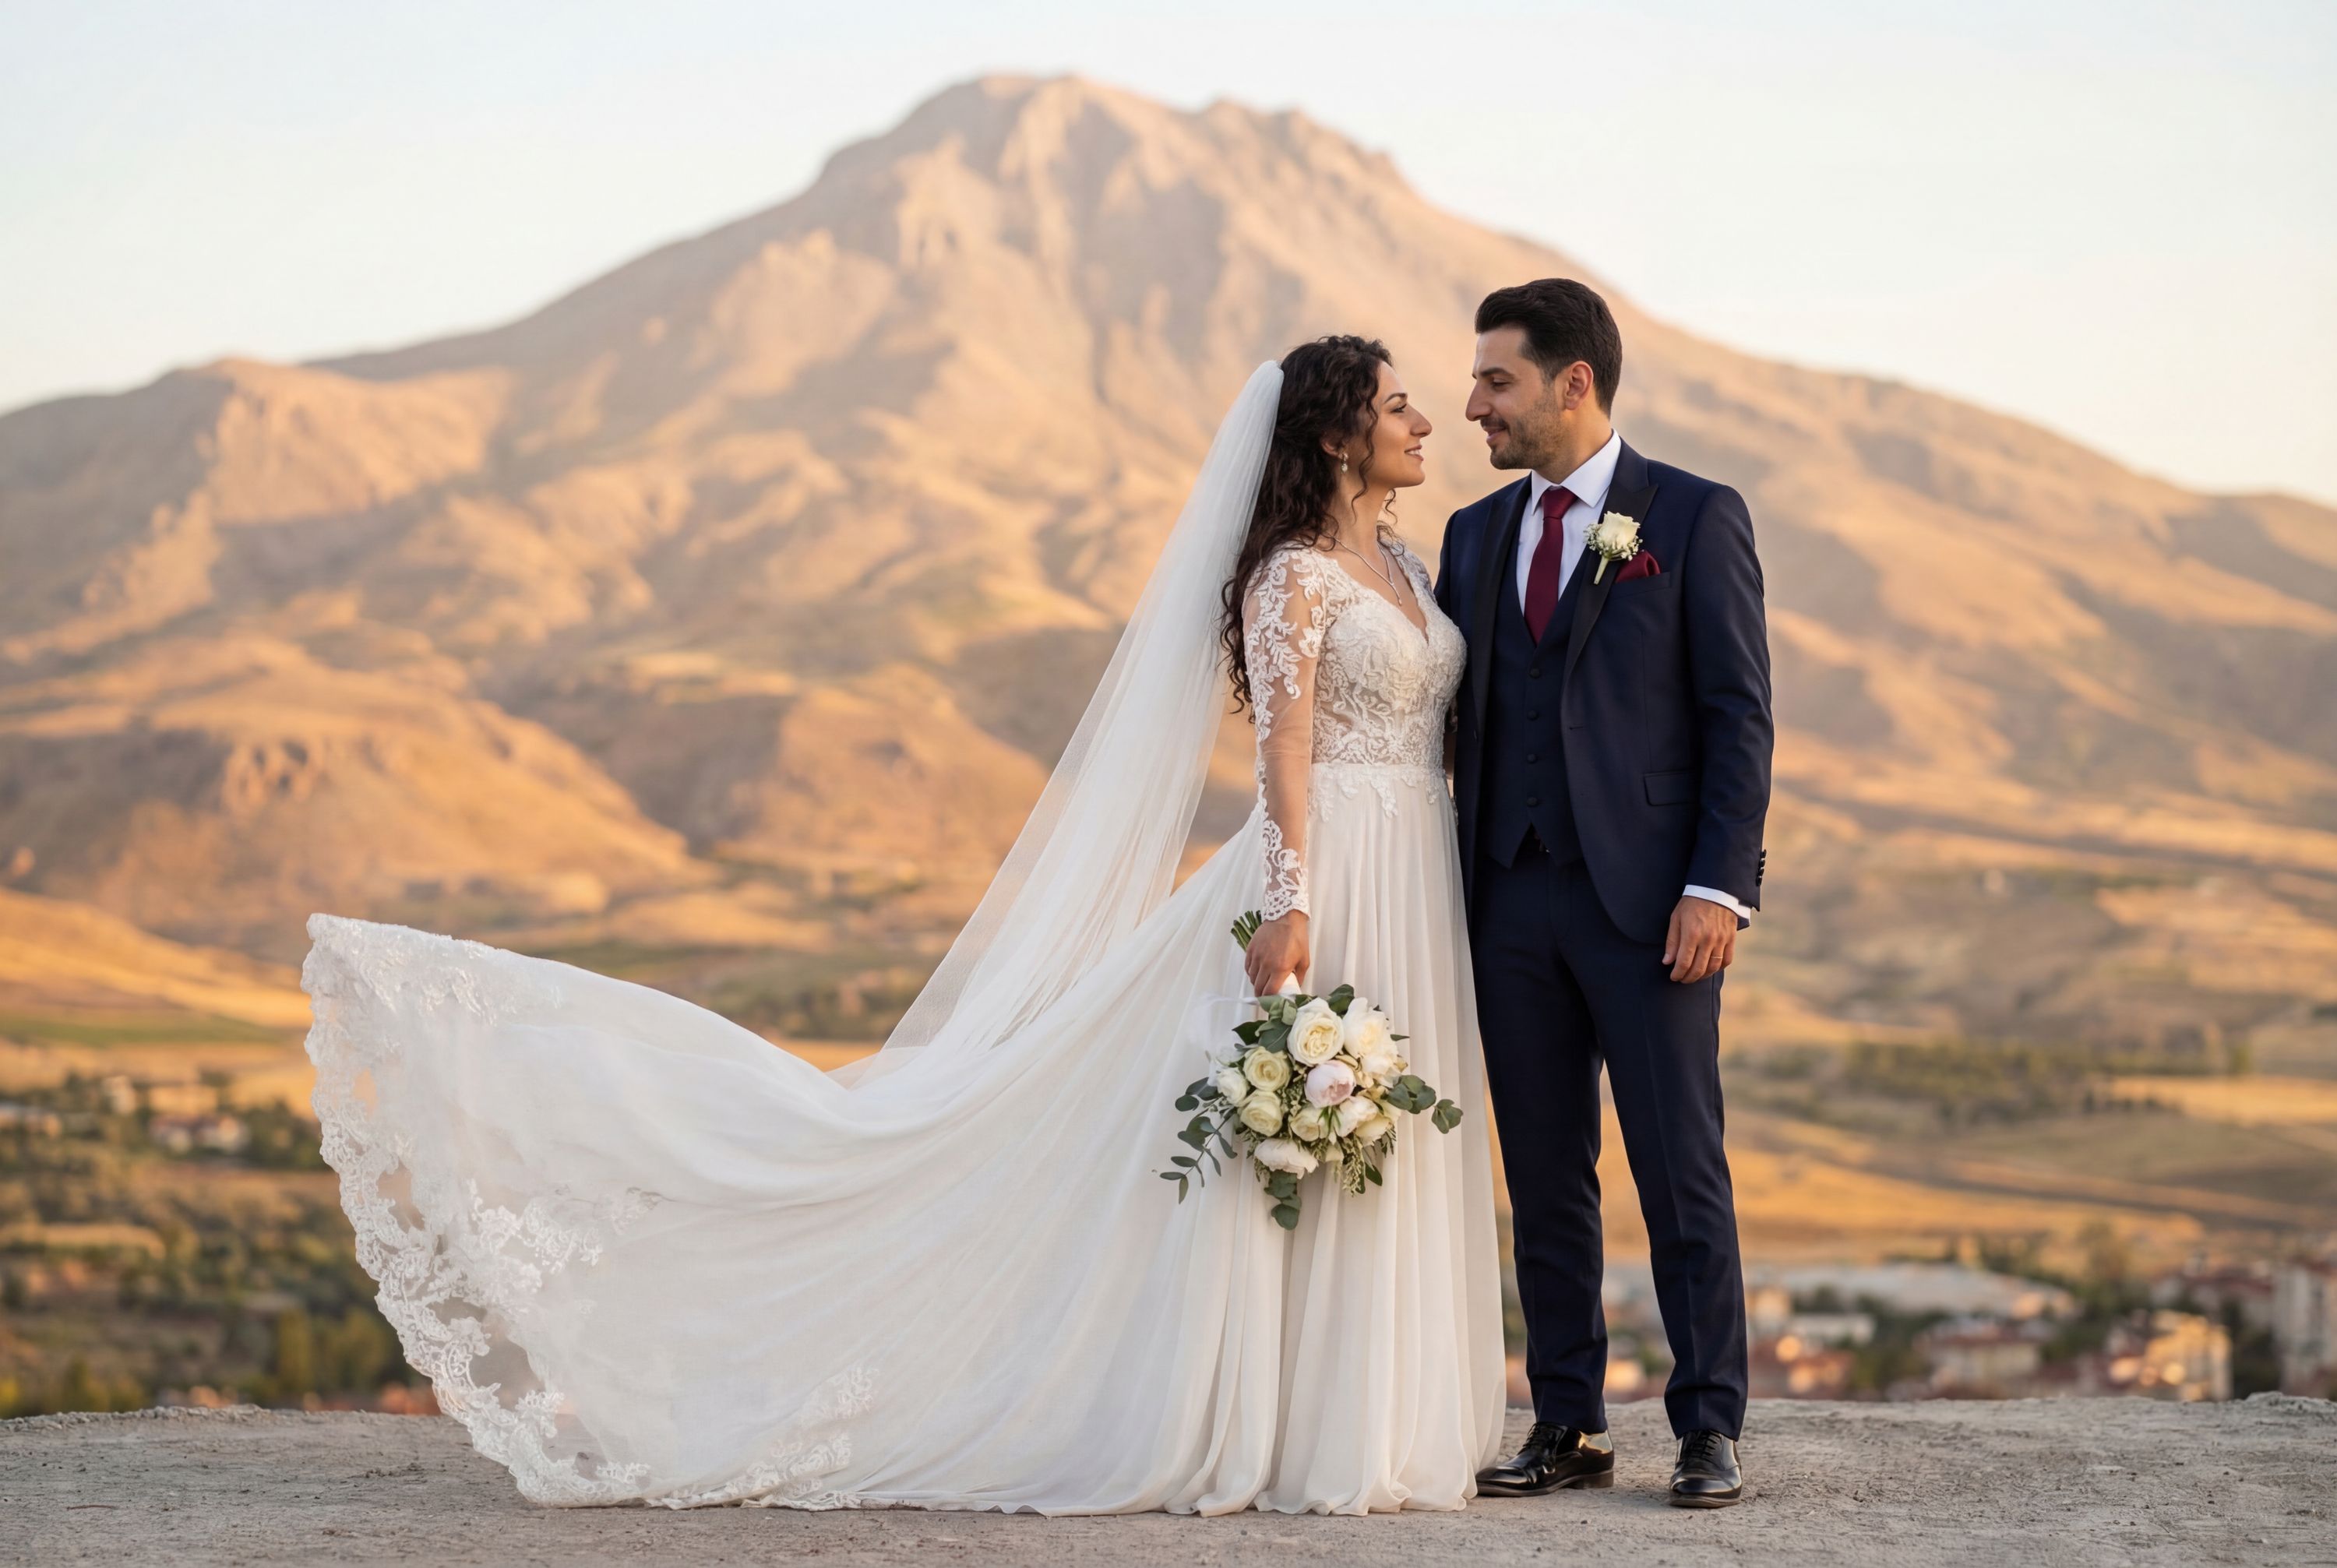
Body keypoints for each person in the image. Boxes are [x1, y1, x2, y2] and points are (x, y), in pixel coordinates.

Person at [300, 337, 1507, 1513]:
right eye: (1400, 404)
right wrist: (1291, 897)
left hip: (1415, 869)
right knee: (1282, 1142)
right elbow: (1282, 744)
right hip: (1327, 869)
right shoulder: (1292, 574)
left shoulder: (1413, 570)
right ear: (1340, 432)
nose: (1424, 422)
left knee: (1377, 1131)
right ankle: (1288, 1429)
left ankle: (1375, 1418)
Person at [1436, 278, 1772, 1507]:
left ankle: (1708, 1424)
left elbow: (1739, 718)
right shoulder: (1474, 534)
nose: (1474, 405)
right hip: (1510, 901)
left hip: (1653, 909)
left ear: (1575, 381)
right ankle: (1567, 1420)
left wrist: (1717, 888)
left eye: (1497, 381)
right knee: (1545, 1171)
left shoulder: (1690, 514)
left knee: (1682, 1166)